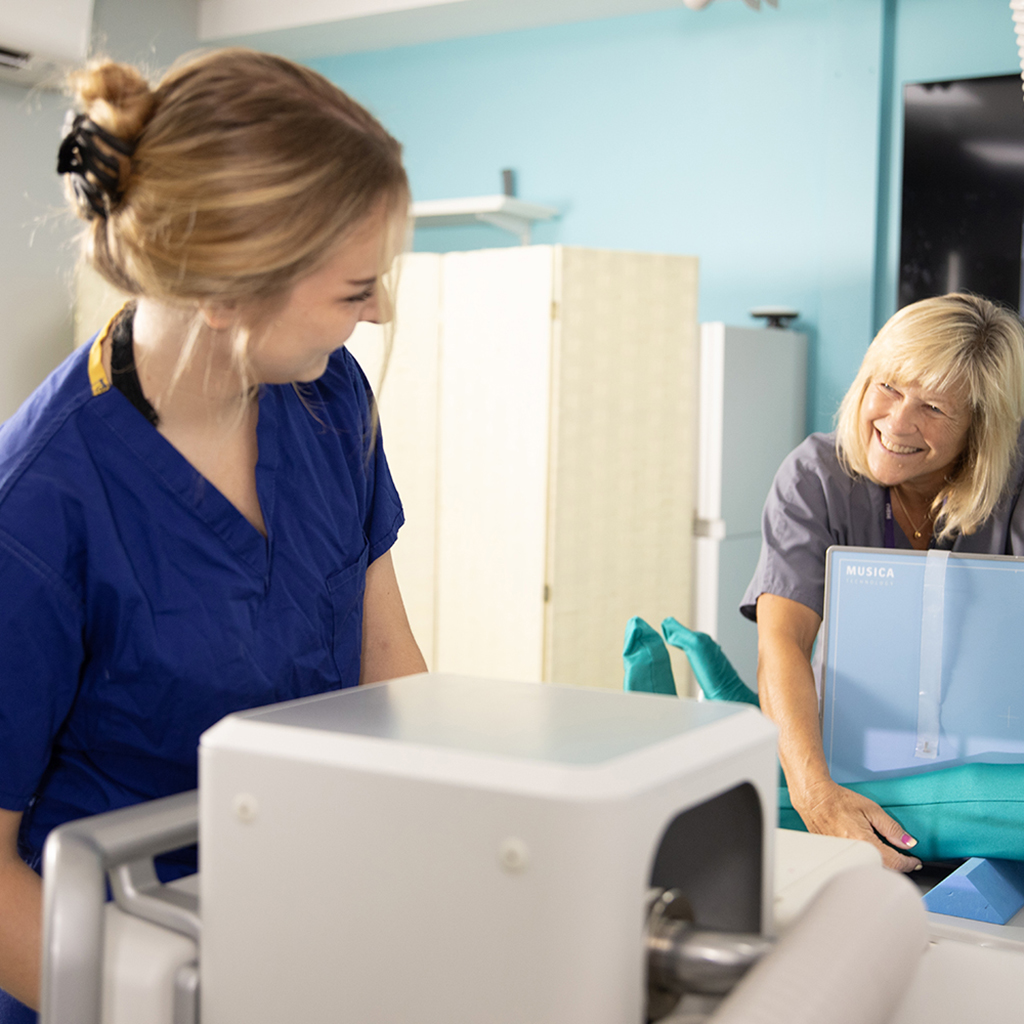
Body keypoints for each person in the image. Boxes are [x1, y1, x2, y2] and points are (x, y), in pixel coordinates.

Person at [0, 49, 427, 1019]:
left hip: (296, 930)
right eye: (355, 289)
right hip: (115, 974)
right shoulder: (37, 507)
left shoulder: (327, 400)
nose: (381, 311)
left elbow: (386, 656)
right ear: (227, 296)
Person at [742, 293, 1024, 873]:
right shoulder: (816, 477)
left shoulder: (1013, 491)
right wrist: (818, 796)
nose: (897, 423)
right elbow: (784, 643)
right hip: (856, 751)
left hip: (993, 755)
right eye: (888, 388)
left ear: (980, 425)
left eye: (935, 409)